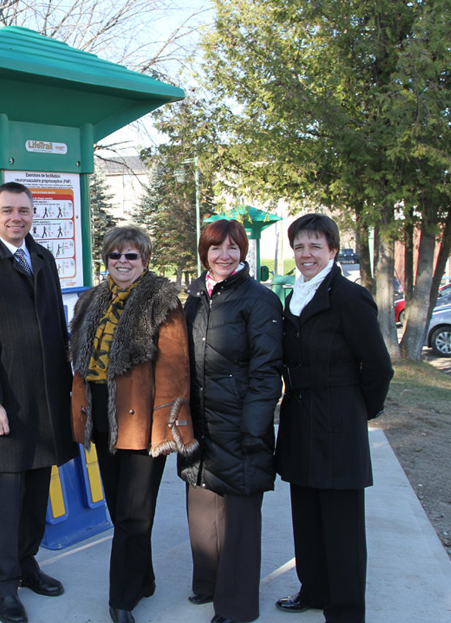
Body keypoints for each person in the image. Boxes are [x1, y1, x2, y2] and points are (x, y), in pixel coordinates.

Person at [0, 181, 78, 623]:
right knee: (6, 502)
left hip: (45, 402)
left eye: (23, 210)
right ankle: (4, 587)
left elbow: (55, 330)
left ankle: (27, 566)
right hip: (4, 403)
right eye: (8, 210)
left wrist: (67, 390)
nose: (16, 218)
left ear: (32, 214)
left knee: (36, 494)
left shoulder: (42, 258)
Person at [69, 226, 198, 623]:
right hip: (101, 420)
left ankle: (120, 599)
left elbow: (175, 370)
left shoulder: (161, 302)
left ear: (145, 260)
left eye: (132, 256)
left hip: (142, 422)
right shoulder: (90, 301)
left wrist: (166, 426)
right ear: (105, 259)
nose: (122, 263)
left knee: (133, 514)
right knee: (122, 511)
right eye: (115, 256)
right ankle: (143, 579)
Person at [274, 214, 393, 623]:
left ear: (332, 250)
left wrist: (360, 409)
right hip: (300, 421)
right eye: (300, 247)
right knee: (306, 516)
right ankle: (314, 590)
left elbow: (378, 367)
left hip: (338, 422)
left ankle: (344, 611)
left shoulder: (348, 296)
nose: (306, 254)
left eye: (315, 246)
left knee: (341, 527)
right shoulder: (295, 294)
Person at [178, 220, 284, 623]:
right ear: (204, 252)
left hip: (241, 424)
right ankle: (207, 583)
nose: (224, 255)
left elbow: (267, 370)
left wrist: (255, 427)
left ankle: (237, 606)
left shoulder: (259, 300)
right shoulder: (193, 298)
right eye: (216, 247)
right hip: (199, 423)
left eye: (233, 248)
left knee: (238, 520)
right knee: (203, 507)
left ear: (243, 252)